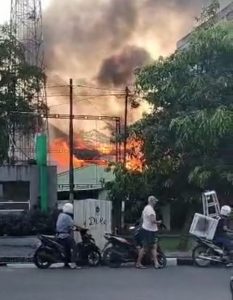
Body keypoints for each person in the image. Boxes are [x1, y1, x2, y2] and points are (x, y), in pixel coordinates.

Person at [136, 195, 161, 269]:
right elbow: (152, 220)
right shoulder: (150, 209)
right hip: (148, 231)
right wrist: (158, 222)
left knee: (153, 246)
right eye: (155, 201)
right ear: (151, 201)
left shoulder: (146, 208)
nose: (155, 202)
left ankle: (156, 263)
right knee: (145, 247)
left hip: (148, 229)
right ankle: (138, 263)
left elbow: (142, 218)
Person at [56, 202, 77, 269]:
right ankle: (73, 263)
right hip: (65, 235)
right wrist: (79, 229)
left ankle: (66, 263)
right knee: (75, 247)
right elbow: (72, 226)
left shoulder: (60, 215)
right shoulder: (68, 217)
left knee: (66, 249)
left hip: (59, 235)